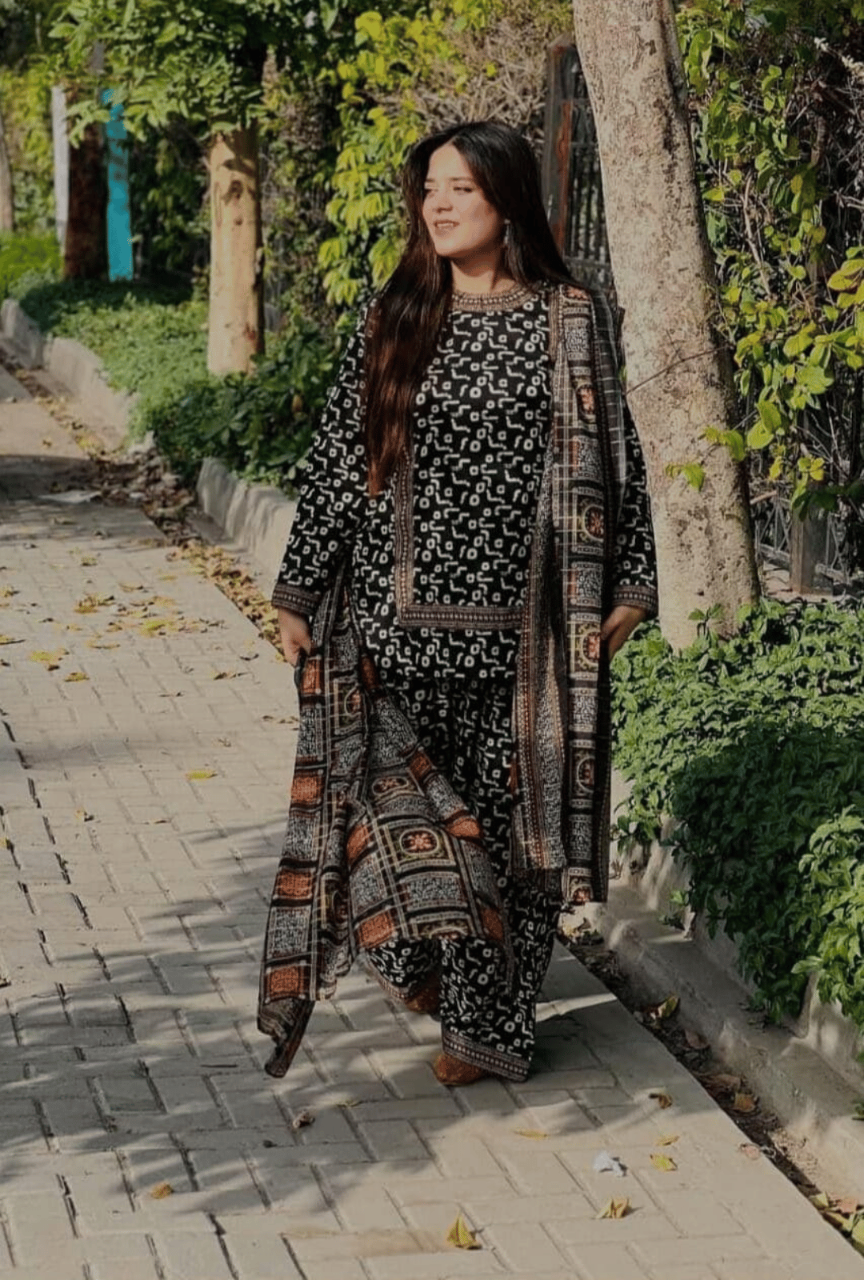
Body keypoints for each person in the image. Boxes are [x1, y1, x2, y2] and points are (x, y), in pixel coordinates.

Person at [258, 120, 657, 1086]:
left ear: (508, 201)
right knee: (387, 832)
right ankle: (424, 954)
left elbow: (621, 459)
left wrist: (633, 586)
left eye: (461, 190)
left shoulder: (567, 316)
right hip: (394, 632)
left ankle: (486, 1029)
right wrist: (300, 588)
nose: (438, 205)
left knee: (516, 842)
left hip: (531, 639)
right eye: (430, 187)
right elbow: (341, 464)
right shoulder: (397, 313)